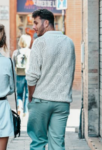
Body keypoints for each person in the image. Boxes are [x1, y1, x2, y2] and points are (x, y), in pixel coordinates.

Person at [26, 9, 75, 150]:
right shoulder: (69, 42)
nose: (33, 27)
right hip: (62, 102)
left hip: (41, 100)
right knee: (57, 144)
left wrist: (31, 96)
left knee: (38, 142)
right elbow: (70, 72)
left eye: (36, 23)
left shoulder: (39, 42)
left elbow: (32, 76)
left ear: (46, 23)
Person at [12, 34, 31, 117]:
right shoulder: (31, 52)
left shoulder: (16, 52)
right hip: (29, 75)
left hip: (19, 74)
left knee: (19, 94)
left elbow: (12, 65)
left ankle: (19, 107)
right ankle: (25, 111)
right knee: (27, 94)